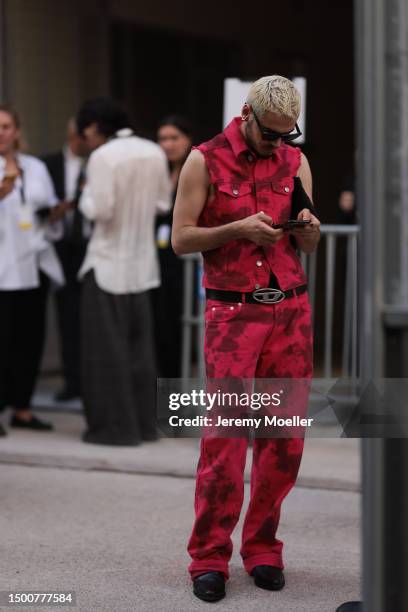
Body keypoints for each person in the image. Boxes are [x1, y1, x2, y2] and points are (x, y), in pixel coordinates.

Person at [172, 75, 320, 602]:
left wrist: (307, 227)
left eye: (287, 134)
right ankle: (208, 557)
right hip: (233, 313)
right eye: (271, 134)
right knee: (226, 441)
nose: (278, 144)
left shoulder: (294, 161)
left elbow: (311, 242)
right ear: (248, 114)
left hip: (291, 310)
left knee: (284, 442)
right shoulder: (205, 159)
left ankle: (262, 549)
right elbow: (180, 239)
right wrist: (238, 230)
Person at [76, 97, 171, 446]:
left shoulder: (102, 157)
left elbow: (100, 210)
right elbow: (164, 204)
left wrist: (84, 196)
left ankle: (114, 429)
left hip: (106, 264)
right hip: (143, 266)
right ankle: (145, 426)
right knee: (140, 353)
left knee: (106, 353)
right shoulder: (153, 151)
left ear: (92, 127)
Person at [0, 105, 64, 436]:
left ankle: (22, 408)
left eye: (7, 126)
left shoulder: (35, 167)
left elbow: (47, 206)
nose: (2, 132)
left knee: (29, 340)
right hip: (1, 269)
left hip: (33, 266)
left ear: (17, 131)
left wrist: (55, 213)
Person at [42, 118, 88, 401]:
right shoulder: (47, 165)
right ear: (74, 134)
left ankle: (91, 382)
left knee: (92, 318)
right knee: (67, 316)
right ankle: (72, 381)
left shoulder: (99, 163)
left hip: (89, 246)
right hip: (59, 247)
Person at [152, 115, 193, 378]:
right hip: (159, 257)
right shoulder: (157, 170)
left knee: (184, 323)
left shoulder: (196, 168)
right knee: (161, 325)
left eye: (173, 138)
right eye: (162, 139)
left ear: (187, 139)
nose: (167, 144)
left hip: (187, 257)